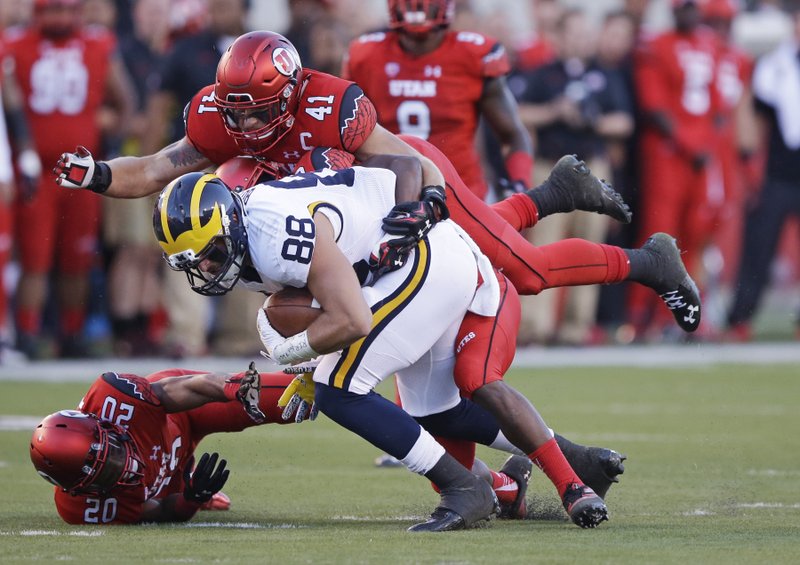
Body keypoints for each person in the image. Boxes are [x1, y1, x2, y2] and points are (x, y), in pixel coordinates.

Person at [53, 30, 702, 336]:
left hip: (408, 180)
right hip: (355, 217)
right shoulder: (220, 116)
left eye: (253, 107)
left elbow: (401, 163)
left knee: (520, 272)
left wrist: (401, 228)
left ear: (287, 93)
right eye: (233, 107)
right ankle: (550, 196)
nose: (240, 120)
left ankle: (648, 261)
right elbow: (160, 167)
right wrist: (98, 174)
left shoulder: (329, 103)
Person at [153, 157, 616, 530]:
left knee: (339, 389)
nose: (209, 270)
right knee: (436, 411)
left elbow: (351, 318)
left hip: (422, 262)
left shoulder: (273, 235)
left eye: (212, 254)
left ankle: (464, 488)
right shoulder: (252, 232)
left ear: (231, 223)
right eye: (195, 263)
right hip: (405, 267)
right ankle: (576, 462)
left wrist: (290, 355)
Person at [5, 0, 134, 358]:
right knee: (35, 259)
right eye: (51, 10)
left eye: (65, 9)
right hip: (35, 171)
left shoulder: (97, 44)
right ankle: (28, 334)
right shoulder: (15, 44)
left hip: (82, 172)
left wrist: (110, 141)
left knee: (77, 260)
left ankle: (73, 333)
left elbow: (125, 101)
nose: (58, 18)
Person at [30, 362, 309, 524]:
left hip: (183, 416)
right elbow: (160, 511)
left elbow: (188, 386)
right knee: (172, 494)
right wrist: (192, 499)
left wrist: (232, 388)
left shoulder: (119, 400)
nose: (122, 465)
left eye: (113, 451)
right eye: (105, 472)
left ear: (104, 426)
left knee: (297, 397)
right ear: (79, 489)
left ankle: (341, 373)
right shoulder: (80, 509)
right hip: (171, 475)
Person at [516, 9, 634, 345]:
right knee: (544, 246)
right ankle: (534, 327)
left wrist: (592, 120)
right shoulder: (542, 74)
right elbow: (519, 112)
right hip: (551, 166)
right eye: (574, 34)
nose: (580, 40)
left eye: (585, 34)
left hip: (592, 167)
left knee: (592, 247)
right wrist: (556, 111)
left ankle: (576, 327)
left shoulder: (605, 75)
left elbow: (623, 123)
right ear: (561, 37)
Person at [342, 0, 534, 201]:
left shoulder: (473, 55)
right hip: (387, 195)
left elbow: (512, 135)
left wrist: (519, 185)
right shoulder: (366, 55)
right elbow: (346, 134)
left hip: (462, 196)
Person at [629, 0, 720, 341]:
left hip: (699, 153)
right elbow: (654, 107)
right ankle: (641, 317)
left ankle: (686, 315)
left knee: (696, 232)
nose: (690, 12)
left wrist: (706, 145)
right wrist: (690, 144)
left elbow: (717, 104)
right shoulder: (657, 45)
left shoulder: (709, 44)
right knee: (659, 234)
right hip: (668, 154)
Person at [725, 2, 800, 339]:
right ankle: (741, 318)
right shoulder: (773, 64)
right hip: (779, 172)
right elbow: (753, 114)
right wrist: (750, 165)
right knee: (758, 248)